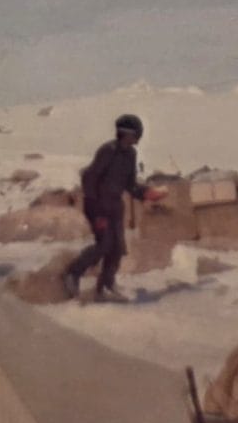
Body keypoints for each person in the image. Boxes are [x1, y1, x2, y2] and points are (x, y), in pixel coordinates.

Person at [63, 114, 167, 302]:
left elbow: (130, 184)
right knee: (104, 245)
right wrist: (97, 212)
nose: (138, 139)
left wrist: (146, 193)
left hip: (115, 206)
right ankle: (72, 273)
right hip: (97, 205)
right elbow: (89, 179)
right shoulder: (107, 151)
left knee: (117, 248)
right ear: (126, 134)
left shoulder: (131, 155)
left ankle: (106, 285)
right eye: (136, 134)